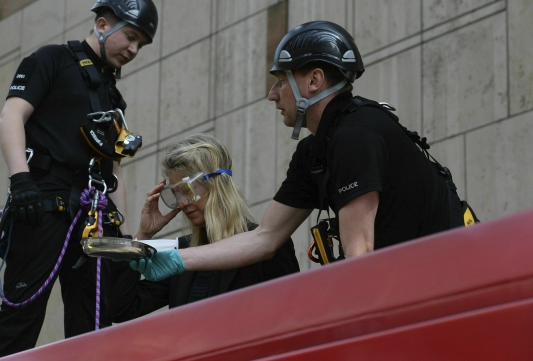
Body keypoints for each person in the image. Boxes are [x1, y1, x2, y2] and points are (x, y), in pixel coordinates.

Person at [130, 20, 469, 281]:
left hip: (450, 282)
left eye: (280, 81)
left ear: (313, 81)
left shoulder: (357, 135)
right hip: (416, 282)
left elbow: (360, 254)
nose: (272, 94)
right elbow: (264, 238)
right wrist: (174, 257)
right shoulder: (315, 152)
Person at [0, 0, 158, 361]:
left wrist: (122, 234)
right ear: (103, 23)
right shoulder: (51, 60)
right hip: (42, 202)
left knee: (91, 325)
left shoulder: (112, 97)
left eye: (141, 44)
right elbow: (11, 116)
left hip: (91, 215)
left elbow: (114, 168)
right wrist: (21, 180)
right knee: (21, 318)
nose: (134, 49)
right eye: (131, 36)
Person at [107, 134, 299, 321]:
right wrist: (143, 236)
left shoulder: (266, 246)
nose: (181, 203)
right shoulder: (179, 253)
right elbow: (121, 309)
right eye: (174, 195)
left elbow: (292, 314)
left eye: (187, 190)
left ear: (216, 185)